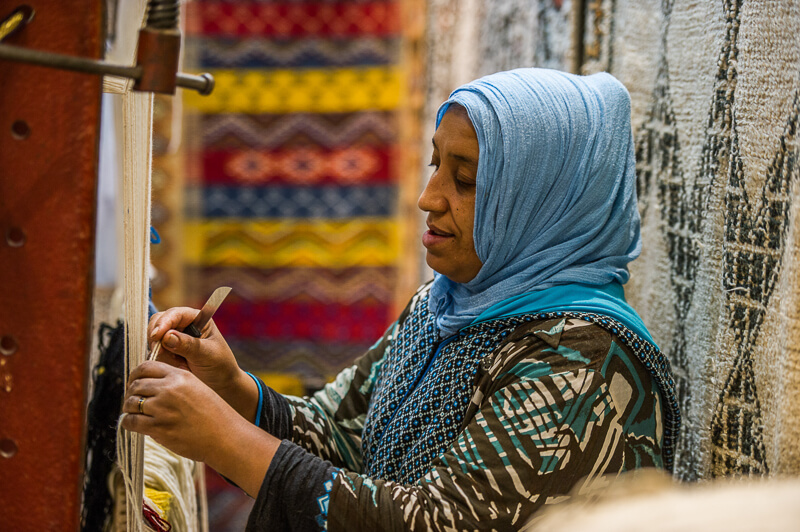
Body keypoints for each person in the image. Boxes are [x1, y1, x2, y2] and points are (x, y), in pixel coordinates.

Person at [122, 68, 680, 531]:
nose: (427, 198)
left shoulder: (581, 365)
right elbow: (343, 435)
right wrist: (230, 385)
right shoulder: (445, 307)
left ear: (544, 205)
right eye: (437, 164)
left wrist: (223, 438)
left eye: (465, 181)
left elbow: (430, 523)